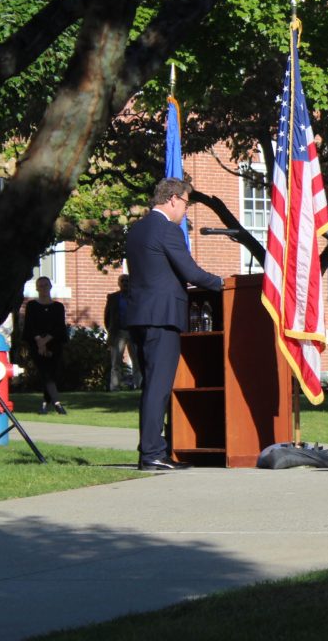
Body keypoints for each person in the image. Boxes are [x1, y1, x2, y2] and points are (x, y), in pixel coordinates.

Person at [126, 178, 223, 471]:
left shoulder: (136, 229)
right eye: (185, 203)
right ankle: (153, 453)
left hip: (140, 317)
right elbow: (190, 271)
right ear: (171, 199)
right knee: (159, 387)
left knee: (151, 386)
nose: (186, 210)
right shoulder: (167, 229)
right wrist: (222, 284)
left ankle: (152, 449)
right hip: (162, 317)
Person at [23, 276, 68, 415]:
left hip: (54, 343)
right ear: (36, 288)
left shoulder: (58, 307)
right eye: (40, 286)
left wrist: (46, 340)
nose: (43, 288)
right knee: (45, 373)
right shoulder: (31, 306)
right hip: (36, 344)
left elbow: (59, 327)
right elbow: (30, 325)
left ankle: (44, 403)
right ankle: (57, 403)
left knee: (53, 374)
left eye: (45, 285)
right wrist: (39, 342)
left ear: (50, 287)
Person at [104, 274, 141, 391]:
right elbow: (107, 316)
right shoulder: (113, 297)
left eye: (127, 281)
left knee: (137, 361)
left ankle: (138, 385)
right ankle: (114, 386)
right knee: (116, 362)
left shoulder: (136, 297)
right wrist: (111, 330)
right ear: (119, 283)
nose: (125, 283)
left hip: (133, 332)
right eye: (122, 281)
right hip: (118, 332)